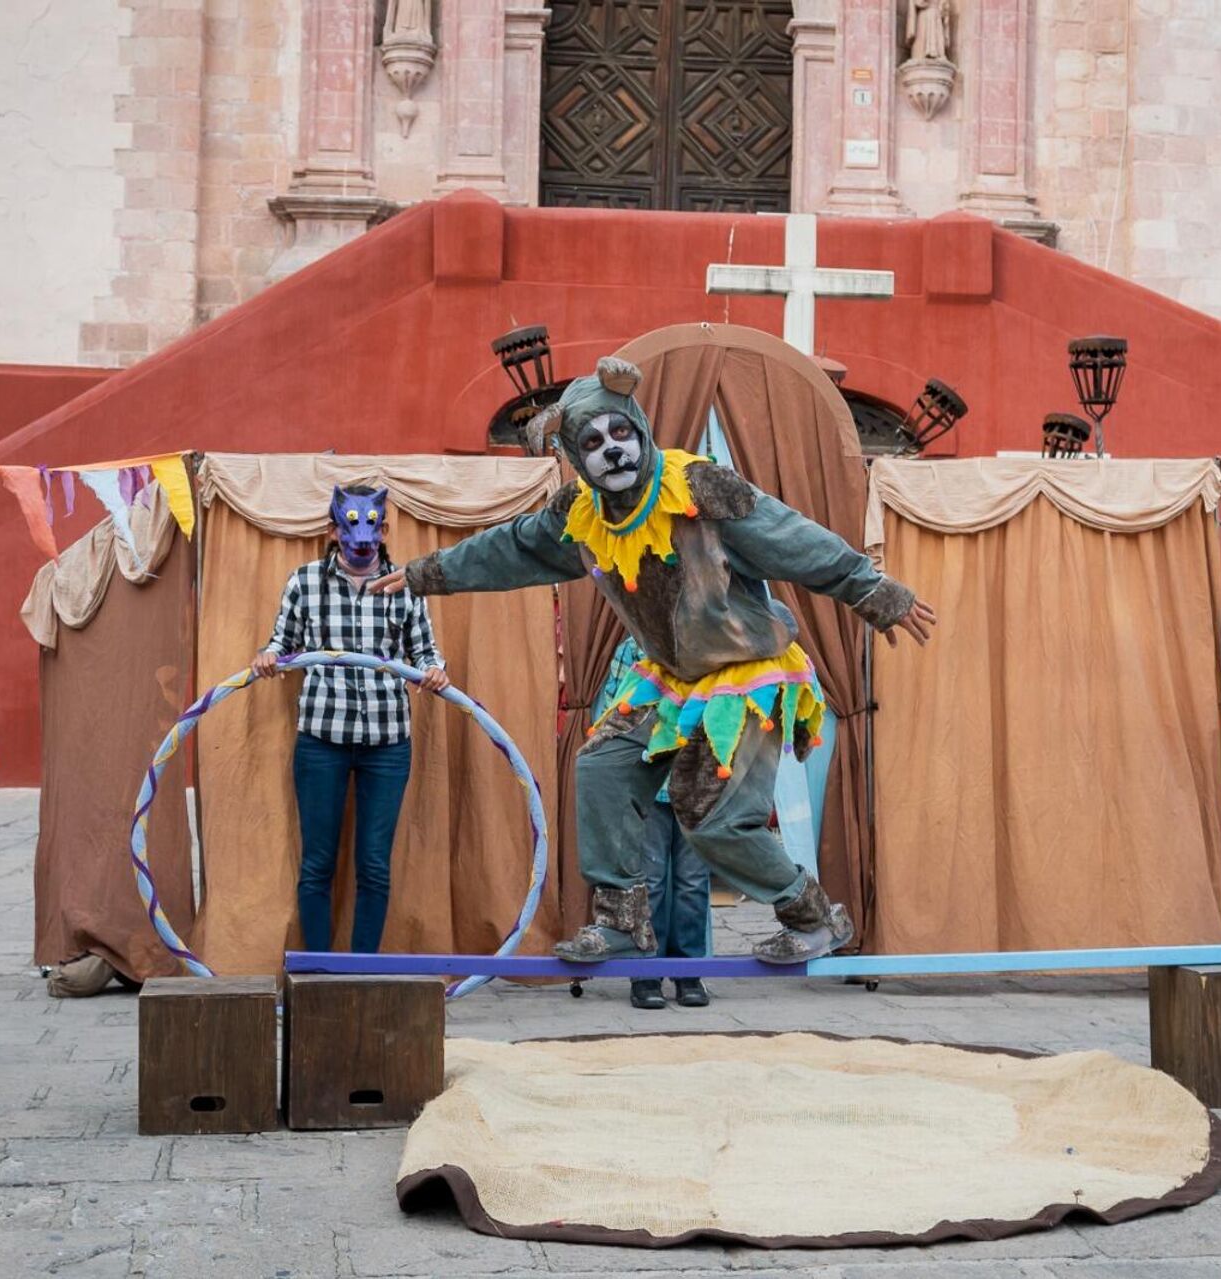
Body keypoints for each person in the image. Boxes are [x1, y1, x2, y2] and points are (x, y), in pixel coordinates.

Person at [375, 355, 936, 965]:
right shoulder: (580, 519)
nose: (612, 450)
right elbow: (508, 551)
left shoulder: (698, 489)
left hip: (747, 675)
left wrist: (871, 589)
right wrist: (423, 574)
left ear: (639, 428)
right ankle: (621, 920)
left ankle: (811, 916)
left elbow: (789, 538)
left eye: (620, 432)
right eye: (592, 442)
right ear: (573, 455)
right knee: (601, 769)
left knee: (714, 820)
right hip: (671, 681)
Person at [251, 484, 448, 954]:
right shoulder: (303, 582)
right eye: (349, 526)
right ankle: (318, 975)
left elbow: (423, 650)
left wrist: (435, 670)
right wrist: (269, 656)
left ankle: (361, 975)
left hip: (387, 742)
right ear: (333, 530)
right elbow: (284, 641)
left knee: (375, 865)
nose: (361, 538)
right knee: (318, 863)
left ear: (383, 530)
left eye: (372, 528)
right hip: (322, 739)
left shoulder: (405, 584)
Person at [593, 634, 713, 1009]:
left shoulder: (715, 642)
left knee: (693, 882)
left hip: (701, 783)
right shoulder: (633, 646)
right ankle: (645, 974)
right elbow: (616, 709)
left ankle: (689, 972)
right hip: (649, 783)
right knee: (650, 881)